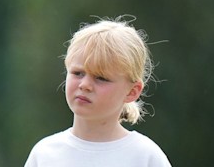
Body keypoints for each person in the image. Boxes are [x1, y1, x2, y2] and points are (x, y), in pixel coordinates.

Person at [24, 16, 171, 167]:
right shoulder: (44, 155)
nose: (85, 85)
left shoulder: (146, 157)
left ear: (132, 91)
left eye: (101, 78)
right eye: (78, 73)